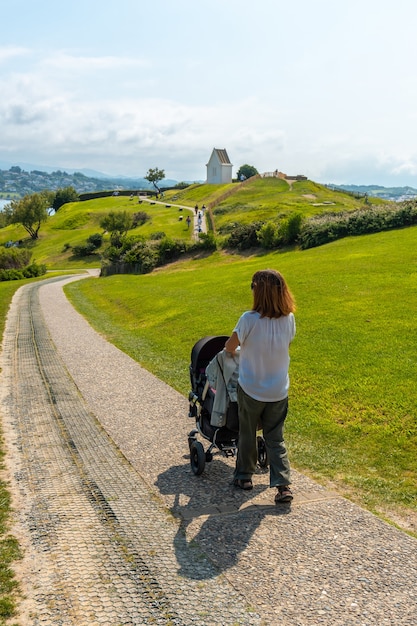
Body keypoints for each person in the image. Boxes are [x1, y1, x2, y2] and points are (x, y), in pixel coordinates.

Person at [224, 269, 296, 503]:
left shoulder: (248, 319)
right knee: (275, 437)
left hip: (252, 388)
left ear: (258, 291)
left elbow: (229, 347)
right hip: (278, 391)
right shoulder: (289, 319)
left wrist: (240, 349)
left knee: (247, 432)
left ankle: (245, 476)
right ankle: (283, 486)